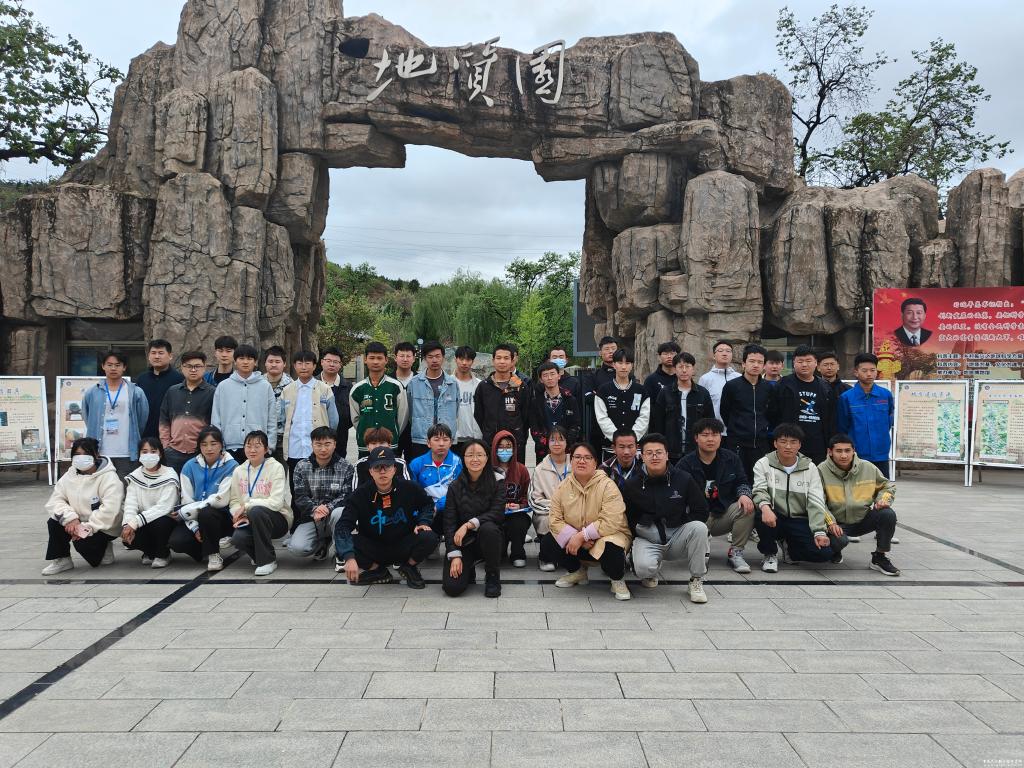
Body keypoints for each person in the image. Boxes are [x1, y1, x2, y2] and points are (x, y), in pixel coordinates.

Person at [622, 433, 709, 602]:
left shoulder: (683, 478)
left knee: (700, 528)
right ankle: (650, 568)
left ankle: (696, 580)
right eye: (649, 453)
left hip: (677, 536)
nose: (654, 457)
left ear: (667, 455)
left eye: (659, 452)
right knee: (642, 569)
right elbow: (627, 517)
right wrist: (640, 529)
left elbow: (701, 510)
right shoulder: (632, 485)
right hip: (648, 538)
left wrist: (681, 522)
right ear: (642, 456)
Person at [335, 446, 438, 588]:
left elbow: (427, 504)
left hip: (404, 544)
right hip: (374, 546)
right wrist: (349, 557)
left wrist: (423, 522)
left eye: (387, 467)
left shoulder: (409, 487)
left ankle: (408, 567)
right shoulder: (360, 494)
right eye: (377, 467)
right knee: (344, 543)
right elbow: (343, 526)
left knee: (429, 536)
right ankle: (377, 570)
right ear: (370, 471)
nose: (382, 471)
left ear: (394, 469)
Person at [752, 423, 844, 573]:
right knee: (760, 514)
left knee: (823, 554)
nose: (788, 446)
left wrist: (819, 532)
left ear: (799, 445)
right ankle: (770, 553)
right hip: (775, 516)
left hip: (799, 519)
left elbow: (816, 500)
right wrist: (765, 508)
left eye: (793, 442)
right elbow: (759, 490)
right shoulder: (763, 463)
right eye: (783, 441)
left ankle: (790, 547)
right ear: (775, 443)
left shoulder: (810, 467)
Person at [549, 442, 633, 601]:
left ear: (595, 463)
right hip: (578, 538)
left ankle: (617, 579)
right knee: (550, 540)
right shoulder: (563, 487)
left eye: (587, 458)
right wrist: (575, 536)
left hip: (607, 536)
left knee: (612, 547)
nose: (582, 461)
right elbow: (554, 519)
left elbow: (612, 521)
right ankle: (577, 572)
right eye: (577, 457)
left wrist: (583, 536)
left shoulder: (607, 485)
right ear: (571, 461)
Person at [678, 418, 756, 574]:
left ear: (721, 437)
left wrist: (744, 495)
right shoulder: (685, 463)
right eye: (705, 435)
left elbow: (742, 481)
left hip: (722, 513)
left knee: (747, 507)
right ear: (696, 438)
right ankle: (699, 550)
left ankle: (736, 552)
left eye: (715, 435)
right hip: (696, 517)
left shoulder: (731, 459)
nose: (710, 439)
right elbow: (678, 494)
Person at [819, 435, 901, 576]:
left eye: (847, 450)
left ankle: (879, 557)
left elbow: (887, 486)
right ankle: (835, 551)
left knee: (888, 514)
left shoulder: (868, 467)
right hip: (836, 523)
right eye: (839, 451)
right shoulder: (820, 470)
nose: (844, 455)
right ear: (830, 452)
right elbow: (817, 501)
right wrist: (830, 522)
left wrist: (883, 500)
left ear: (854, 451)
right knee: (838, 541)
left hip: (863, 519)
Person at [42, 437, 122, 574]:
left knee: (88, 552)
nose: (81, 458)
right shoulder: (70, 475)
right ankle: (62, 559)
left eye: (86, 454)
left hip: (103, 526)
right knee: (54, 522)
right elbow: (56, 500)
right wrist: (71, 519)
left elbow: (110, 510)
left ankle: (104, 548)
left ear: (96, 455)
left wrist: (86, 528)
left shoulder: (109, 477)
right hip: (77, 521)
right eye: (77, 454)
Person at [442, 438, 505, 597]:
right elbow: (449, 523)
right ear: (463, 458)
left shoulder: (497, 481)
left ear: (487, 458)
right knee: (452, 588)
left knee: (489, 528)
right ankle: (468, 567)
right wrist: (454, 554)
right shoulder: (455, 486)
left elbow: (497, 513)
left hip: (488, 540)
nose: (475, 459)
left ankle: (492, 575)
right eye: (470, 455)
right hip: (463, 542)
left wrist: (468, 524)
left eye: (479, 455)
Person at [170, 426, 238, 571]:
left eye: (213, 444)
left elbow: (221, 499)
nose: (209, 448)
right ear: (199, 446)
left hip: (221, 516)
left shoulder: (232, 466)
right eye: (204, 444)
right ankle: (204, 551)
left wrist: (192, 509)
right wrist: (194, 527)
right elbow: (186, 501)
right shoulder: (189, 466)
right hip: (194, 516)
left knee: (207, 513)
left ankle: (214, 554)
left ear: (221, 445)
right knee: (177, 542)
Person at [229, 430, 292, 576]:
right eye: (248, 446)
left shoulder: (276, 467)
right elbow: (234, 500)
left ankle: (267, 561)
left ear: (266, 449)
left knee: (256, 511)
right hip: (249, 517)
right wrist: (239, 515)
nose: (252, 450)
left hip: (277, 518)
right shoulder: (239, 470)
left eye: (257, 446)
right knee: (238, 539)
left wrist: (247, 506)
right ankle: (260, 555)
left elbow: (276, 503)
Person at [288, 426, 354, 560]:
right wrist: (315, 509)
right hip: (312, 517)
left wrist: (327, 508)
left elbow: (347, 495)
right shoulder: (301, 466)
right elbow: (300, 496)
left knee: (339, 512)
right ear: (312, 445)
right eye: (318, 444)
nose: (323, 449)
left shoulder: (346, 466)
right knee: (298, 548)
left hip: (334, 516)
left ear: (335, 444)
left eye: (327, 444)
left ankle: (340, 553)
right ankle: (322, 542)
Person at [81, 350, 149, 477]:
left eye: (117, 365)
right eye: (109, 364)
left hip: (127, 452)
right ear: (103, 366)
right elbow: (87, 416)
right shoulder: (92, 392)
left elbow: (142, 419)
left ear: (124, 367)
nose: (113, 368)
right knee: (100, 487)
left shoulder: (136, 392)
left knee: (125, 486)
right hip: (99, 452)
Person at [767, 345, 836, 465]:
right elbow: (772, 414)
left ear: (816, 363)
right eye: (800, 361)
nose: (804, 364)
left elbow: (831, 419)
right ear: (793, 363)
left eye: (808, 361)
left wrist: (830, 444)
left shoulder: (825, 387)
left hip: (818, 445)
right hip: (789, 445)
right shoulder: (783, 385)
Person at [211, 344, 278, 464]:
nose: (245, 362)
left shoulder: (265, 386)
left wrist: (270, 446)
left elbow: (272, 419)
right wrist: (219, 446)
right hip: (230, 447)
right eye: (241, 358)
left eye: (249, 359)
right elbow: (216, 418)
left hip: (258, 446)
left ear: (255, 362)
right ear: (235, 361)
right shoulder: (223, 386)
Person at [121, 437, 180, 568]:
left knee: (160, 523)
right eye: (144, 451)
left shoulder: (169, 474)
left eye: (153, 451)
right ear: (139, 454)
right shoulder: (135, 476)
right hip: (143, 521)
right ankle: (150, 552)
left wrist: (135, 522)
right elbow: (130, 505)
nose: (149, 455)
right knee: (129, 536)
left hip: (165, 520)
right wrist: (127, 525)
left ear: (160, 454)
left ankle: (163, 554)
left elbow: (164, 507)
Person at [279, 350, 340, 478]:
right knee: (295, 484)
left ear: (314, 366)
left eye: (307, 363)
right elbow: (282, 419)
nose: (303, 367)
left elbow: (333, 420)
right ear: (294, 366)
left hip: (319, 449)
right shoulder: (287, 390)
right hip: (294, 448)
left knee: (319, 483)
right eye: (300, 363)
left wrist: (327, 440)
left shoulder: (325, 389)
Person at [719, 343, 772, 482]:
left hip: (761, 443)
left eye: (760, 362)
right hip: (737, 443)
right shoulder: (732, 386)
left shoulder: (768, 388)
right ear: (743, 364)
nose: (756, 365)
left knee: (760, 480)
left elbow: (772, 412)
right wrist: (737, 427)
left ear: (764, 365)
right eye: (752, 361)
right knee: (737, 480)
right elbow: (724, 411)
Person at [837, 353, 895, 479]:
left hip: (881, 454)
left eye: (872, 370)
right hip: (857, 455)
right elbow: (842, 428)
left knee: (882, 488)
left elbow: (889, 422)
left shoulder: (885, 395)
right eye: (864, 371)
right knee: (858, 489)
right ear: (856, 372)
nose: (869, 374)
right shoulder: (846, 398)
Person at [650, 351, 714, 462]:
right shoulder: (665, 393)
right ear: (675, 369)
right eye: (680, 367)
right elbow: (657, 422)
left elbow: (709, 422)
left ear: (693, 369)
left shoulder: (703, 393)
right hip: (671, 450)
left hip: (696, 450)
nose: (684, 370)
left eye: (687, 366)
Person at [159, 350, 216, 473]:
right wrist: (166, 445)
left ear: (204, 367)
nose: (193, 370)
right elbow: (164, 420)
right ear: (182, 368)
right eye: (189, 366)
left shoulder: (212, 392)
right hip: (173, 452)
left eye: (197, 366)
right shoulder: (172, 391)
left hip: (200, 452)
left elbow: (215, 423)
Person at [474, 343, 532, 463]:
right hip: (491, 442)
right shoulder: (483, 386)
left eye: (506, 358)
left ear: (512, 361)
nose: (502, 361)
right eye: (498, 358)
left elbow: (526, 416)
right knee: (491, 473)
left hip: (515, 442)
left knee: (515, 473)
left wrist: (517, 430)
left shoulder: (521, 386)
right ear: (493, 360)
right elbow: (479, 415)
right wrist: (489, 431)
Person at [349, 341, 407, 457]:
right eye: (372, 358)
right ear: (365, 360)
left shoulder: (396, 386)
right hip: (366, 444)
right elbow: (355, 419)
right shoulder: (357, 389)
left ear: (386, 360)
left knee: (390, 468)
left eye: (379, 358)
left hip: (390, 443)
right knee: (365, 468)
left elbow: (402, 416)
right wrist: (365, 431)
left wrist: (393, 432)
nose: (375, 362)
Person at [528, 425, 571, 572]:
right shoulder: (540, 469)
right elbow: (534, 500)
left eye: (561, 439)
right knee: (548, 520)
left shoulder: (576, 464)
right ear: (547, 442)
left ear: (567, 442)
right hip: (547, 513)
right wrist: (557, 509)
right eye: (553, 440)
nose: (556, 443)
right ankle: (546, 557)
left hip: (573, 512)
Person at [407, 341, 459, 461]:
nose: (434, 360)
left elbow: (456, 410)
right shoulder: (414, 383)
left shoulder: (452, 384)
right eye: (430, 357)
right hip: (421, 438)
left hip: (445, 439)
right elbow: (410, 411)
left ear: (443, 358)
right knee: (421, 469)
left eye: (437, 356)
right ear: (425, 359)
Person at [594, 348, 649, 459]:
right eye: (620, 363)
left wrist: (631, 439)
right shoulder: (603, 390)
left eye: (627, 363)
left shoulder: (641, 390)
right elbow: (602, 418)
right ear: (614, 365)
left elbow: (644, 417)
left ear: (632, 365)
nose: (624, 367)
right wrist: (617, 438)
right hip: (610, 447)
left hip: (635, 448)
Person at [408, 422, 463, 534]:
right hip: (425, 510)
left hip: (450, 507)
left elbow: (459, 491)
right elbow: (412, 493)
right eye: (436, 439)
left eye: (445, 440)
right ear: (428, 443)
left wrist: (438, 506)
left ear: (451, 443)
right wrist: (427, 509)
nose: (441, 444)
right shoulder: (416, 464)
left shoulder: (457, 462)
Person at [491, 430, 531, 567]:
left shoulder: (522, 470)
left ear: (514, 449)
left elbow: (527, 495)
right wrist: (497, 506)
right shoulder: (487, 470)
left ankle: (517, 554)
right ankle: (499, 550)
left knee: (519, 523)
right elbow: (482, 496)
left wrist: (520, 506)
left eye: (508, 446)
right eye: (501, 446)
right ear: (495, 448)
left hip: (516, 515)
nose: (505, 450)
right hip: (494, 515)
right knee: (496, 553)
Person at [529, 361, 581, 461]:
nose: (549, 378)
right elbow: (534, 426)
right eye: (545, 375)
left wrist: (565, 442)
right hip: (543, 451)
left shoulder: (570, 399)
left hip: (566, 450)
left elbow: (575, 424)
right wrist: (545, 443)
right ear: (541, 379)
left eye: (552, 374)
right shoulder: (536, 402)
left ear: (559, 376)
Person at [135, 339, 184, 439]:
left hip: (171, 435)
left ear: (170, 356)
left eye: (161, 353)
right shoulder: (141, 379)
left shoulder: (179, 379)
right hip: (144, 434)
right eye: (153, 353)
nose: (157, 356)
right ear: (149, 356)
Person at [318, 346, 353, 460]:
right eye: (328, 361)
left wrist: (342, 424)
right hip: (316, 438)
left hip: (340, 438)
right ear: (322, 362)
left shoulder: (347, 387)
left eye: (335, 362)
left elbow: (352, 414)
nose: (331, 364)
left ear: (340, 365)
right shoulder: (313, 385)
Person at [582, 336, 618, 443]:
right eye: (607, 349)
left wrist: (599, 395)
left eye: (613, 348)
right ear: (600, 353)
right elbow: (588, 398)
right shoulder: (592, 376)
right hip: (599, 429)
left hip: (623, 429)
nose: (611, 351)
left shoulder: (627, 375)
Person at [262, 345, 293, 462]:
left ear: (284, 364)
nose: (274, 364)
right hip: (261, 438)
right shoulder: (258, 384)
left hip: (284, 440)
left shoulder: (292, 385)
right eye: (270, 361)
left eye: (277, 361)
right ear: (265, 363)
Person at [698, 340, 740, 420]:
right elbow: (701, 405)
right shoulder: (705, 379)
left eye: (728, 351)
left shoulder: (739, 377)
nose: (724, 354)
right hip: (714, 425)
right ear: (714, 356)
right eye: (720, 351)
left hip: (737, 425)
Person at [452, 345, 483, 454]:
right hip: (453, 439)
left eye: (468, 359)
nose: (464, 363)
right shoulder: (447, 383)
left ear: (473, 361)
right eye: (461, 359)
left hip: (475, 437)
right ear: (455, 359)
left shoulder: (480, 385)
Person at [393, 341, 417, 458]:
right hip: (393, 432)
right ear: (395, 358)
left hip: (415, 433)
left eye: (408, 356)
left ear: (414, 359)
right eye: (402, 356)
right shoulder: (387, 380)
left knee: (413, 465)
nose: (405, 359)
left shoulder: (420, 380)